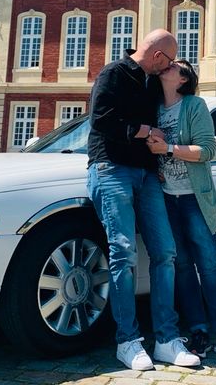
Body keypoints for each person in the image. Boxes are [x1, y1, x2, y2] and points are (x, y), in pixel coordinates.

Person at [85, 29, 199, 371]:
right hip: (111, 167)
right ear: (157, 58)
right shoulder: (113, 73)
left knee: (165, 251)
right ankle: (128, 341)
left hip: (147, 173)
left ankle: (166, 339)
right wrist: (147, 131)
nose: (166, 69)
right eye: (167, 62)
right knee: (124, 252)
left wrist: (159, 161)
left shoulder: (152, 83)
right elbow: (101, 120)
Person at [148, 59, 216, 361]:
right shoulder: (152, 107)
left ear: (183, 79)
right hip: (166, 199)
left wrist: (166, 149)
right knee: (181, 267)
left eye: (175, 67)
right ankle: (198, 332)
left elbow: (206, 151)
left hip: (195, 198)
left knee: (209, 266)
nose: (167, 67)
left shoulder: (194, 106)